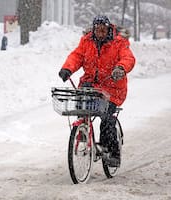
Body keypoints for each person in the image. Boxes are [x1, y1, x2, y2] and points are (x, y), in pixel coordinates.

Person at [58, 15, 135, 167]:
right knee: (81, 108)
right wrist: (67, 68)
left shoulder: (119, 43)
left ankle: (112, 153)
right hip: (91, 84)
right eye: (97, 29)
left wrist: (120, 68)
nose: (100, 32)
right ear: (93, 29)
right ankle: (83, 131)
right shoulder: (87, 41)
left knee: (106, 119)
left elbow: (128, 58)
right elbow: (76, 56)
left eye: (103, 29)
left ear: (108, 29)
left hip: (112, 87)